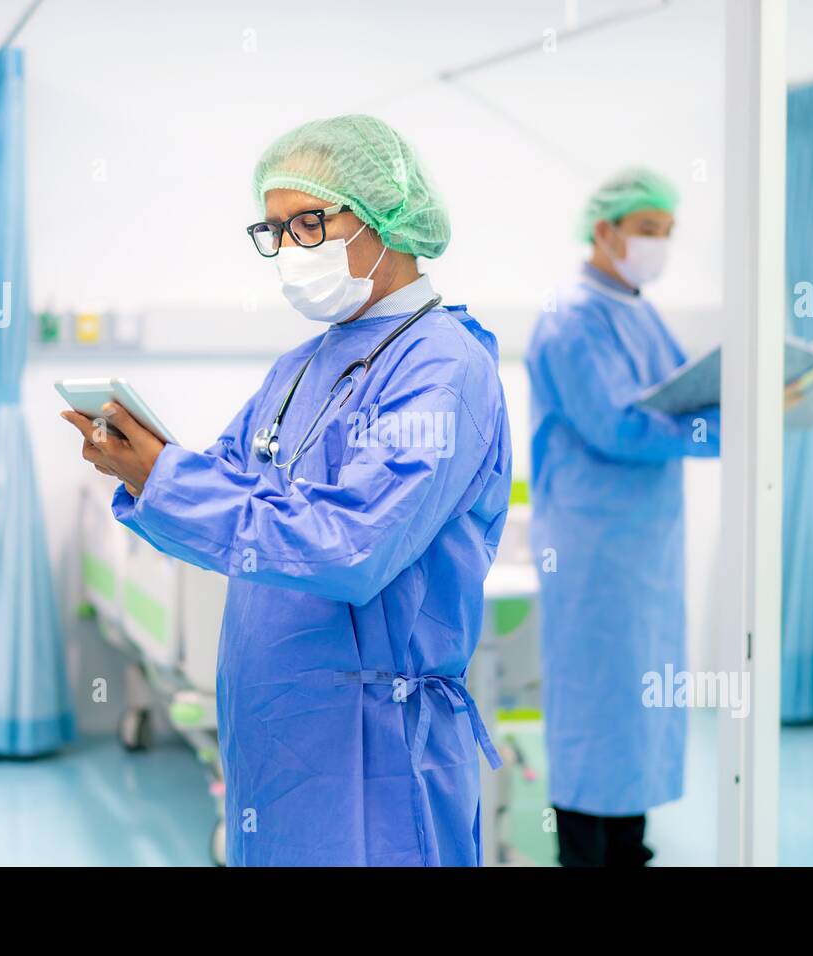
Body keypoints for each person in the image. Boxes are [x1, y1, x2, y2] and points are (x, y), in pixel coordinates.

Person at [62, 115, 511, 867]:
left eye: (309, 222)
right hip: (277, 732)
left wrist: (166, 479)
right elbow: (235, 489)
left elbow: (352, 546)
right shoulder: (302, 366)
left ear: (384, 218)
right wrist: (151, 467)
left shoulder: (442, 369)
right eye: (275, 231)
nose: (291, 250)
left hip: (373, 749)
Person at [525, 168, 720, 867]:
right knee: (596, 708)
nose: (657, 245)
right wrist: (729, 429)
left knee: (637, 709)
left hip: (644, 545)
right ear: (604, 229)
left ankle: (626, 848)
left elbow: (672, 395)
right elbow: (620, 426)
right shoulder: (573, 316)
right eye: (646, 231)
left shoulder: (634, 307)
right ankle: (585, 854)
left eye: (666, 233)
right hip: (592, 547)